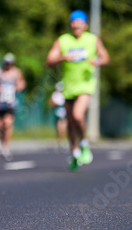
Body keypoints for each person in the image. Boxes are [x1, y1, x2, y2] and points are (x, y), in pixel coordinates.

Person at [46, 9, 110, 171]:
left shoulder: (92, 40)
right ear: (70, 24)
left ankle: (84, 143)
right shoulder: (63, 40)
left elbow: (105, 58)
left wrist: (98, 62)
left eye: (80, 22)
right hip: (68, 86)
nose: (76, 25)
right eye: (74, 21)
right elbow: (49, 61)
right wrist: (62, 57)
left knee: (77, 115)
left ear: (85, 25)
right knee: (70, 123)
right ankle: (74, 151)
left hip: (85, 85)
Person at [0, 53, 26, 160]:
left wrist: (19, 86)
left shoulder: (16, 73)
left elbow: (22, 83)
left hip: (10, 102)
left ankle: (5, 146)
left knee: (7, 124)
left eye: (10, 63)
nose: (8, 65)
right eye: (6, 63)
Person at [50, 82, 68, 149]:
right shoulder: (55, 95)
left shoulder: (63, 94)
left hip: (63, 110)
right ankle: (61, 139)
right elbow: (52, 103)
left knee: (63, 125)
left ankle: (63, 138)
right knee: (60, 125)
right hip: (58, 111)